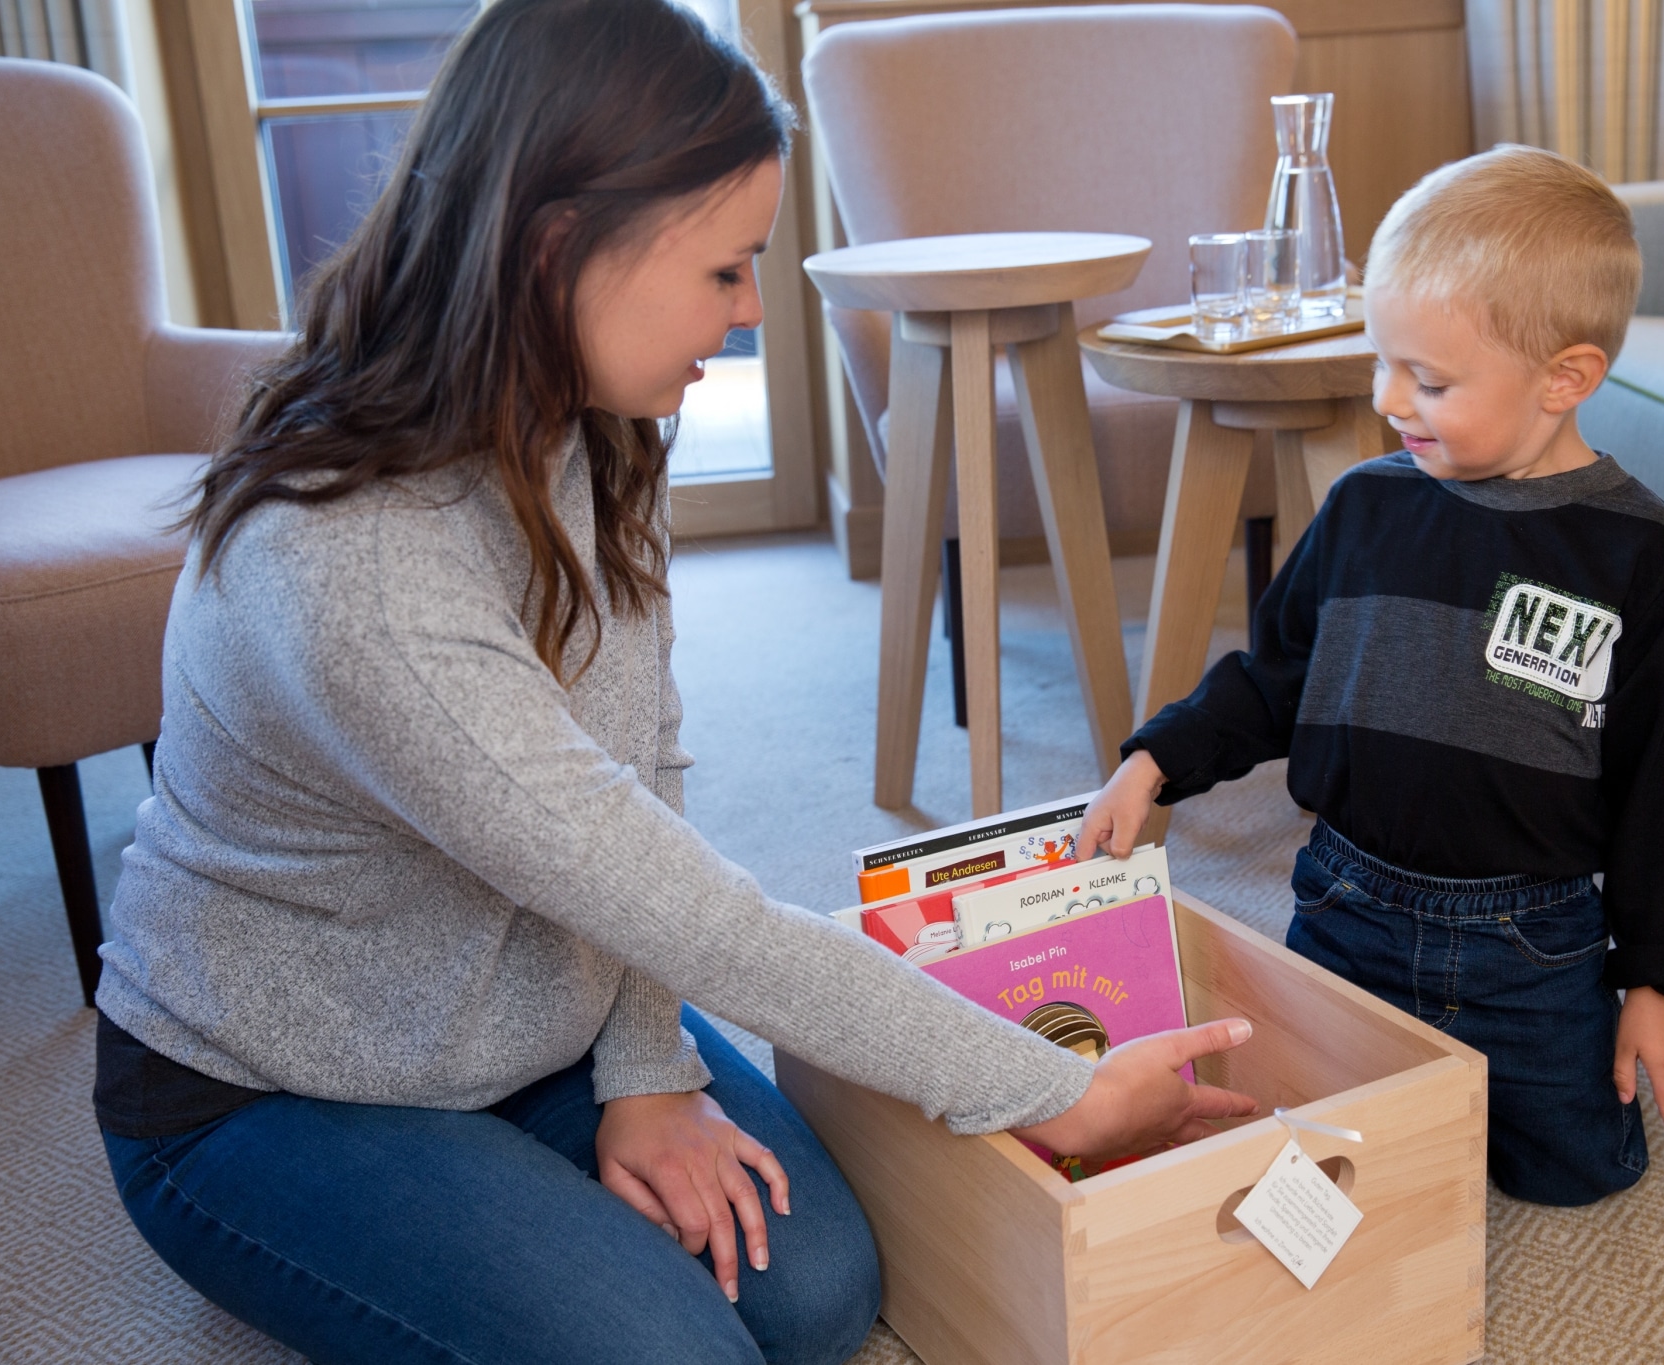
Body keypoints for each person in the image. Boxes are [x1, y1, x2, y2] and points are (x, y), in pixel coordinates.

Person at [90, 2, 1260, 1361]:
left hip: (529, 1014)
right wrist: (1051, 1091)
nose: (754, 309)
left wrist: (648, 1068)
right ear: (553, 248)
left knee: (816, 1294)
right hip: (275, 1086)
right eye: (726, 268)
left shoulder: (590, 425)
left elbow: (639, 773)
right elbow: (700, 915)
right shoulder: (351, 568)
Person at [1081, 146, 1664, 1208]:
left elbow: (1659, 790)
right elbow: (1274, 674)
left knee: (1571, 1178)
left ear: (1563, 379)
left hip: (1531, 935)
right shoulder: (1366, 508)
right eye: (1381, 363)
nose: (1387, 401)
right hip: (1344, 903)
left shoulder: (1635, 555)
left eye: (1427, 380)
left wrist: (1655, 982)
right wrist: (1155, 759)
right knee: (1319, 1152)